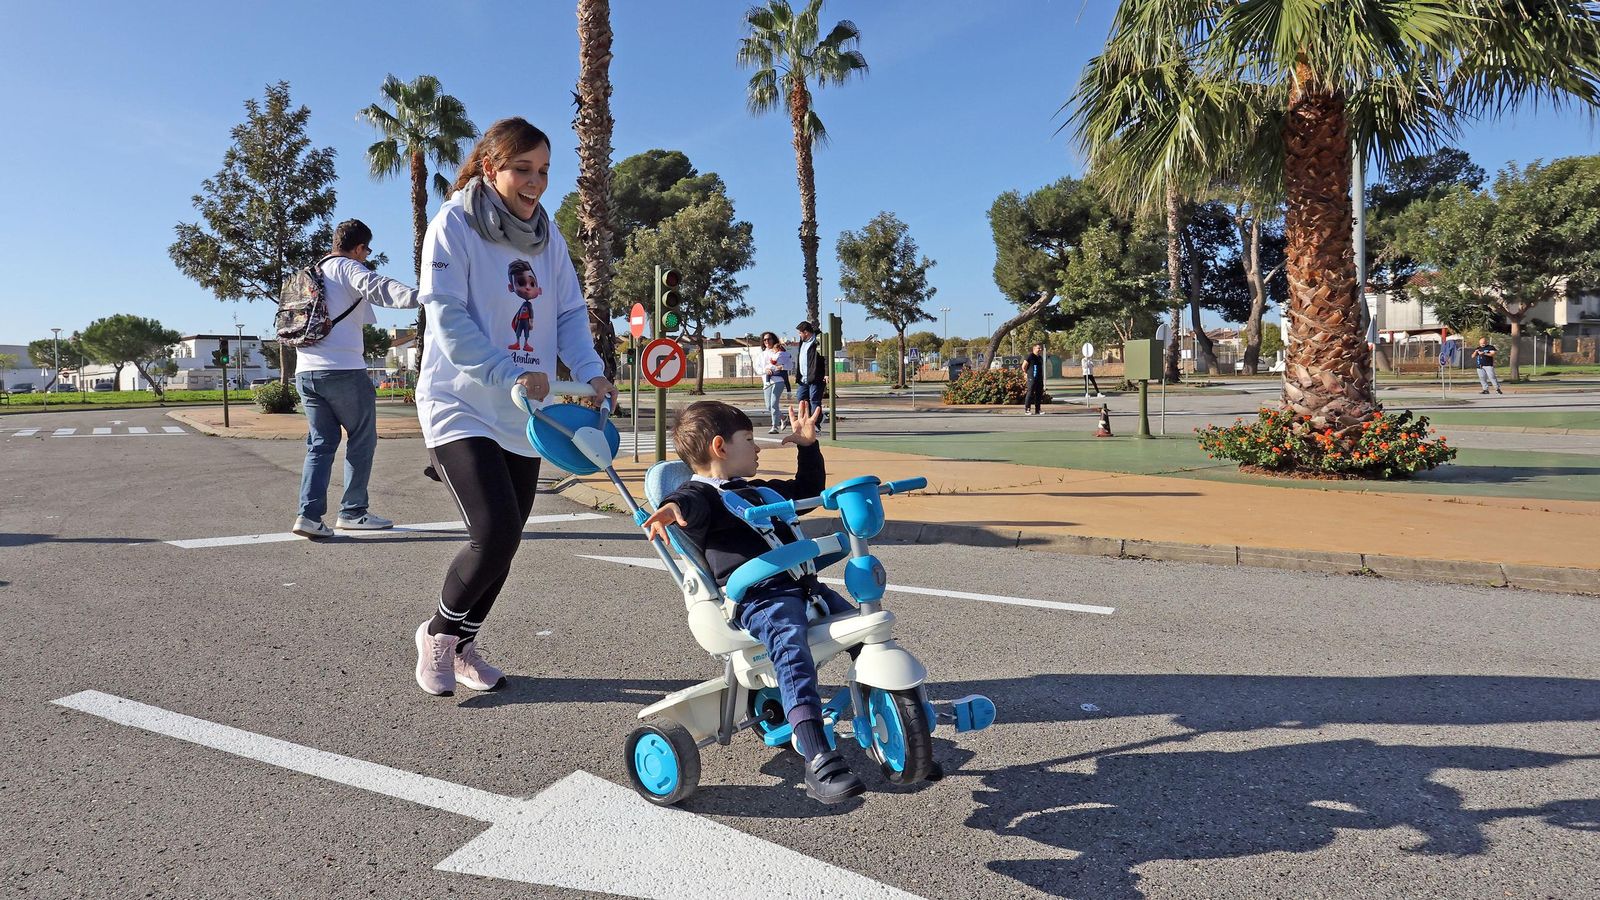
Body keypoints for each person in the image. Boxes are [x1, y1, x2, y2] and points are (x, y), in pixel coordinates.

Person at [412, 117, 619, 697]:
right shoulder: (453, 223)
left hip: (527, 412)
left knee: (509, 538)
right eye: (522, 169)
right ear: (490, 167)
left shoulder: (548, 236)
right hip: (460, 402)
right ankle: (436, 634)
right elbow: (446, 315)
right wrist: (507, 371)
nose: (535, 182)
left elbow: (570, 316)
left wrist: (592, 372)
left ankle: (464, 643)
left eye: (544, 171)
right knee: (494, 530)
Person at [642, 399, 864, 804]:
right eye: (750, 439)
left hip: (803, 585)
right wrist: (669, 511)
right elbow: (686, 503)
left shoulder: (760, 490)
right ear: (720, 447)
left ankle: (903, 717)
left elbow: (807, 493)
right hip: (760, 598)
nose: (759, 448)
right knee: (791, 652)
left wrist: (808, 447)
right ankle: (816, 753)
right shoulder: (702, 494)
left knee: (863, 632)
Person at [291, 219, 420, 540]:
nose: (366, 257)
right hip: (343, 370)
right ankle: (353, 512)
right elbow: (379, 288)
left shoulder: (311, 272)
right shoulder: (346, 268)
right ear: (359, 248)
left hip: (305, 371)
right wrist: (425, 296)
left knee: (320, 444)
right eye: (366, 251)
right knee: (362, 439)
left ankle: (308, 516)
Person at [757, 331, 792, 433]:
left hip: (778, 381)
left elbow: (790, 365)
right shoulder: (761, 355)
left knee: (773, 403)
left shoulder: (780, 352)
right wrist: (765, 370)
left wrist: (782, 367)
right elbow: (757, 368)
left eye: (769, 339)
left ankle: (774, 426)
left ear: (773, 340)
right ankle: (783, 418)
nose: (767, 341)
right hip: (767, 383)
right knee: (769, 406)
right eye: (765, 340)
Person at [794, 321, 827, 421]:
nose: (799, 335)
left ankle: (815, 423)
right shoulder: (802, 342)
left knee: (815, 400)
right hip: (803, 378)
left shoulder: (818, 340)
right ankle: (806, 419)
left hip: (815, 377)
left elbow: (826, 358)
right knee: (801, 398)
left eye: (800, 333)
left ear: (806, 332)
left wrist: (827, 374)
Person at [1022, 343, 1045, 415]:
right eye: (1038, 348)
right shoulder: (1030, 356)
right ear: (1034, 349)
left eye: (1040, 348)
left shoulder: (1040, 358)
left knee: (1039, 394)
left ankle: (1038, 410)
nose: (1040, 350)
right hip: (1032, 378)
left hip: (1039, 379)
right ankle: (1027, 410)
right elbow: (1023, 366)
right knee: (1030, 393)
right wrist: (1026, 374)